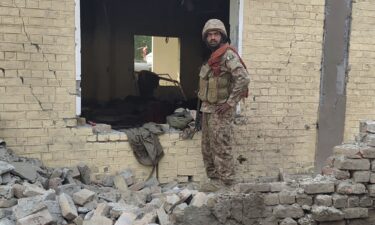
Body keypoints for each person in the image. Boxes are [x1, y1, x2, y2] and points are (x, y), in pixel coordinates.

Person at [198, 19, 250, 187]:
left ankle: (227, 184)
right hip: (207, 109)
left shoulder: (227, 55)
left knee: (221, 147)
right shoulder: (212, 57)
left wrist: (230, 103)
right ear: (206, 38)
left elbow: (243, 78)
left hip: (220, 110)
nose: (213, 38)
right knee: (207, 148)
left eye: (216, 34)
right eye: (210, 35)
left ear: (222, 36)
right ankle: (214, 181)